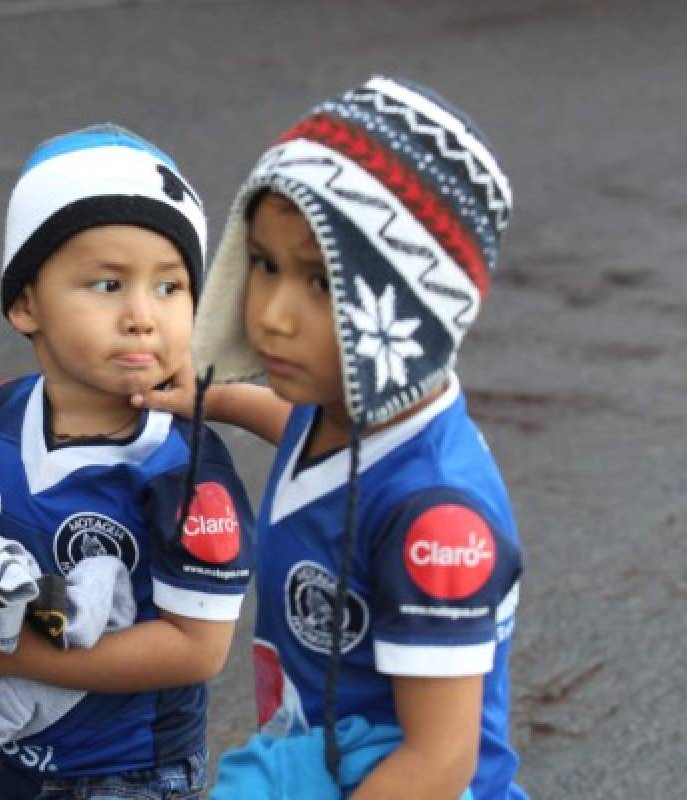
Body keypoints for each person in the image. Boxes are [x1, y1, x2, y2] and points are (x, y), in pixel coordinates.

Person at [136, 76, 526, 798]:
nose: (274, 315)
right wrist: (214, 396)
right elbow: (309, 446)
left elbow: (440, 761)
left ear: (404, 311)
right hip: (321, 759)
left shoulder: (437, 521)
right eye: (264, 265)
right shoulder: (342, 406)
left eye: (322, 282)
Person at [0, 123, 255, 799]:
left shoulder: (182, 469)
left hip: (135, 771)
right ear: (26, 303)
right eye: (108, 284)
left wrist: (18, 654)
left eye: (170, 288)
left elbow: (196, 649)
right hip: (18, 748)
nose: (143, 316)